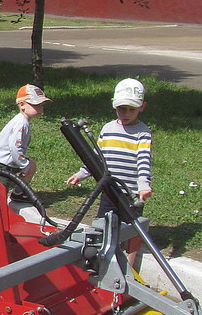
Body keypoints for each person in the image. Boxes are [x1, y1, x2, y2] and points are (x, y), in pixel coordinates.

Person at [66, 78, 153, 265]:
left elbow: (144, 161)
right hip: (108, 190)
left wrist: (144, 185)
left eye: (132, 109)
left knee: (131, 232)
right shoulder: (107, 129)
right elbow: (97, 158)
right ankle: (101, 262)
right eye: (122, 108)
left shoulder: (142, 133)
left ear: (142, 107)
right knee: (103, 227)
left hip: (131, 193)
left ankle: (129, 270)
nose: (126, 113)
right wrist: (82, 173)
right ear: (114, 104)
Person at [0, 84, 51, 201]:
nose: (40, 109)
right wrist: (24, 165)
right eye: (36, 105)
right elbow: (14, 148)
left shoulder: (24, 121)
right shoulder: (21, 123)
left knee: (32, 166)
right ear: (22, 105)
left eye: (42, 105)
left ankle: (18, 193)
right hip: (2, 163)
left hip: (10, 160)